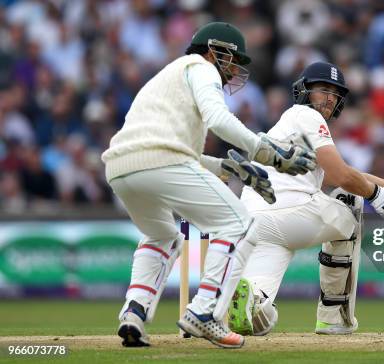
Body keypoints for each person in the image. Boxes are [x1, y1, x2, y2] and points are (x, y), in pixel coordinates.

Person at [101, 22, 316, 349]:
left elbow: (163, 145)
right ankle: (204, 313)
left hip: (121, 168)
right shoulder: (202, 68)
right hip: (161, 162)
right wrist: (267, 152)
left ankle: (134, 313)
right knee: (239, 224)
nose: (234, 70)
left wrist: (225, 166)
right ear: (216, 50)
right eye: (233, 60)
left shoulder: (167, 77)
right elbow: (217, 119)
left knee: (162, 236)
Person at [221, 62, 384, 336]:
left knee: (258, 310)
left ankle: (253, 300)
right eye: (323, 90)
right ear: (303, 91)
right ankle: (332, 316)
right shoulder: (306, 116)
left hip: (257, 222)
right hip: (290, 211)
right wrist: (378, 196)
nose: (330, 98)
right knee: (350, 201)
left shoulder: (286, 126)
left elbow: (340, 172)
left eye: (335, 94)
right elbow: (342, 178)